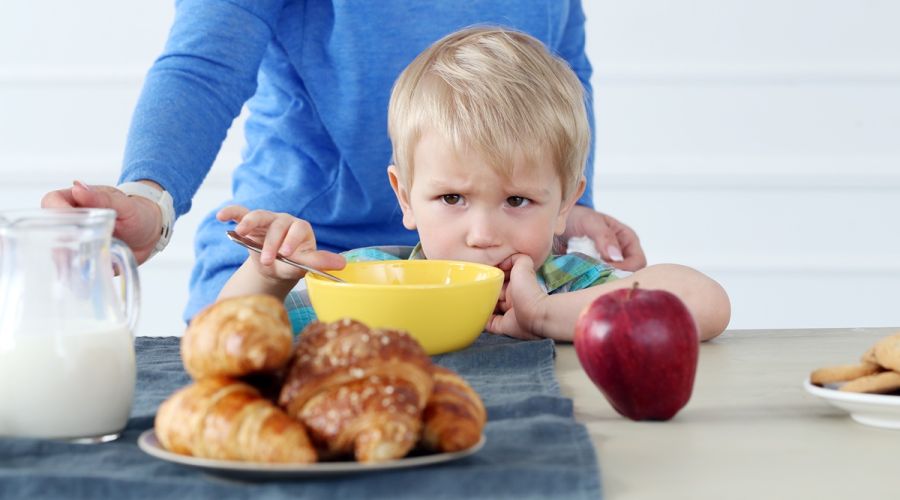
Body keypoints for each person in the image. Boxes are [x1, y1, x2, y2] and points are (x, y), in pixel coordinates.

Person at [40, 1, 647, 324]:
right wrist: (151, 195)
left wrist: (565, 209)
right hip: (304, 264)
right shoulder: (293, 275)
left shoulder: (552, 284)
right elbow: (204, 68)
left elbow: (563, 68)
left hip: (508, 295)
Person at [218, 27, 730, 342]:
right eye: (452, 198)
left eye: (517, 200)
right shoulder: (371, 283)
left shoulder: (570, 286)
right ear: (405, 197)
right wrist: (269, 276)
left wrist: (547, 315)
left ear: (564, 206)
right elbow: (225, 335)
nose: (483, 234)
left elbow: (704, 302)